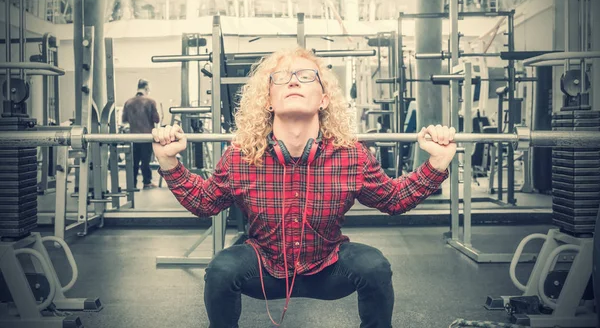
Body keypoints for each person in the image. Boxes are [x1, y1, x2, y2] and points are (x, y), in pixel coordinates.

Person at [152, 48, 456, 328]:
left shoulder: (351, 155)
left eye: (306, 76)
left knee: (374, 266)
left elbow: (393, 199)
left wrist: (437, 163)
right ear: (268, 99)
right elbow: (205, 203)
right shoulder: (241, 156)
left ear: (323, 99)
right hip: (264, 268)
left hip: (328, 268)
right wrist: (169, 162)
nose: (293, 82)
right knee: (221, 270)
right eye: (282, 78)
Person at [122, 79, 161, 189]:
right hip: (146, 136)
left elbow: (124, 119)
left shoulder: (128, 102)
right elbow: (156, 119)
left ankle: (132, 183)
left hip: (133, 137)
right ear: (147, 88)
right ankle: (147, 182)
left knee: (134, 161)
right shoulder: (150, 102)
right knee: (145, 161)